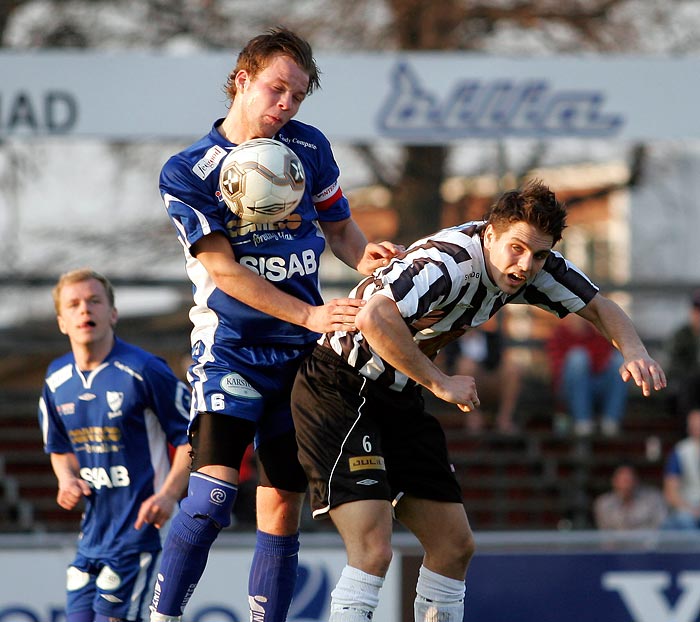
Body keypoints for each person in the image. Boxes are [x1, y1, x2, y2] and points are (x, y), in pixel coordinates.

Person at [291, 179, 667, 622]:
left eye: (540, 254)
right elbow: (375, 317)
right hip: (338, 387)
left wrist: (636, 351)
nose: (527, 265)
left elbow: (601, 306)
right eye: (517, 249)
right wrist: (440, 382)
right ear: (489, 233)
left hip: (397, 393)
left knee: (454, 546)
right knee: (373, 549)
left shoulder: (532, 265)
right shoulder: (447, 264)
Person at [148, 27, 401, 622]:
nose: (285, 105)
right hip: (231, 350)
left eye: (297, 96)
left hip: (298, 360)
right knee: (210, 499)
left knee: (281, 507)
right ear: (243, 79)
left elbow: (340, 229)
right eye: (276, 89)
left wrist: (364, 257)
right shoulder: (188, 170)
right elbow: (224, 271)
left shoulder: (308, 148)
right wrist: (312, 313)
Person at [37, 269, 192, 622]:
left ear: (113, 313)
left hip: (143, 531)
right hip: (92, 534)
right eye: (73, 305)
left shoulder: (144, 369)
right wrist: (66, 479)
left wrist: (168, 495)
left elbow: (192, 439)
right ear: (62, 322)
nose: (84, 310)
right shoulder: (56, 379)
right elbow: (58, 446)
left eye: (94, 301)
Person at [545, 311, 628, 437]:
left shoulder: (596, 335)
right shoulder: (559, 335)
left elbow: (602, 364)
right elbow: (557, 372)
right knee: (578, 357)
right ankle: (582, 423)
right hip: (568, 389)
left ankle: (611, 421)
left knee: (619, 361)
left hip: (595, 384)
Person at [440, 320, 523, 434]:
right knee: (466, 365)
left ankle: (504, 418)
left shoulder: (491, 338)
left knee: (512, 369)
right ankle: (473, 416)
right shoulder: (451, 341)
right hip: (458, 386)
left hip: (487, 381)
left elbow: (496, 362)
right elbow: (449, 366)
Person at [593, 463, 667, 530]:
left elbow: (661, 528)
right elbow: (606, 535)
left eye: (629, 480)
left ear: (636, 480)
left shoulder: (654, 499)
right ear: (614, 481)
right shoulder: (603, 504)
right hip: (618, 544)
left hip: (646, 543)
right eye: (623, 480)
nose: (627, 485)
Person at [666, 290, 700, 425]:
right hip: (687, 389)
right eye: (697, 310)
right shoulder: (681, 336)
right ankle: (690, 435)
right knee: (687, 387)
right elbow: (673, 367)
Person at [662, 408, 700, 530]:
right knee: (679, 522)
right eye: (694, 424)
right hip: (689, 508)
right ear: (689, 427)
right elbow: (671, 493)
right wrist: (692, 511)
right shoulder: (680, 451)